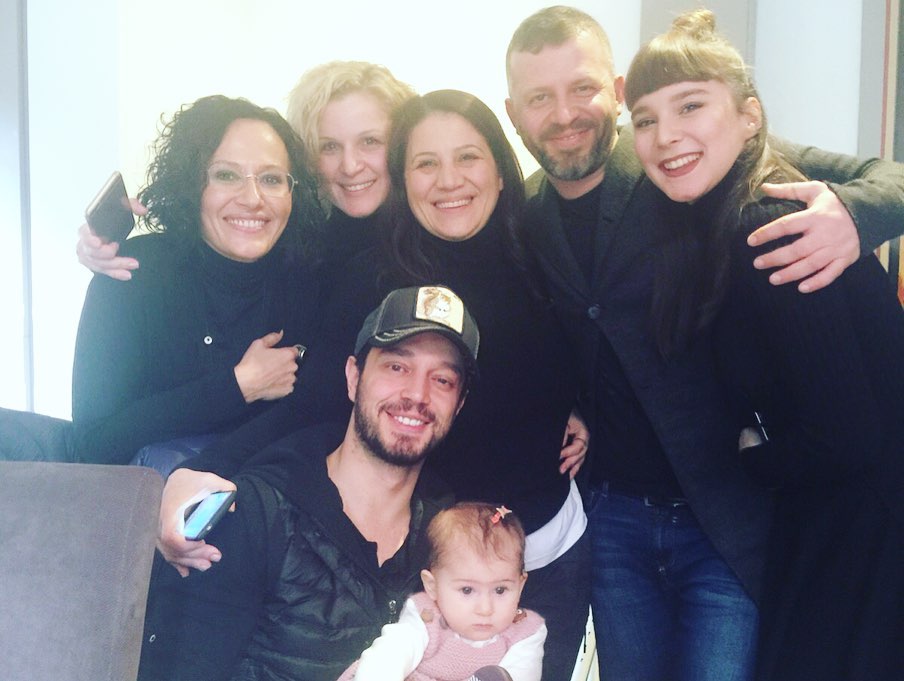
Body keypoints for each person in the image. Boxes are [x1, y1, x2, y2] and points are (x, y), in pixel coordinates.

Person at [503, 6, 904, 681]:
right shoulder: (526, 212)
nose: (565, 114)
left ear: (615, 91)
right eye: (540, 97)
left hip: (727, 513)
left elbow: (886, 176)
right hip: (614, 513)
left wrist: (852, 215)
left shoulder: (681, 160)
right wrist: (568, 405)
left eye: (582, 88)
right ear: (514, 113)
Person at [158, 89, 589, 681]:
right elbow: (312, 402)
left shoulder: (540, 251)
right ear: (402, 181)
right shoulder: (377, 278)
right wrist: (199, 470)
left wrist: (584, 412)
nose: (448, 180)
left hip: (553, 549)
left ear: (499, 169)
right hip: (446, 565)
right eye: (425, 163)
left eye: (468, 157)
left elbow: (602, 343)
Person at [624, 10, 904, 681]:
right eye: (645, 119)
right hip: (840, 519)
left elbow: (847, 439)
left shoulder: (770, 229)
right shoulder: (713, 218)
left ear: (750, 117)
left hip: (867, 535)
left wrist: (753, 455)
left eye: (690, 106)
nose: (666, 135)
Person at [138, 284, 478, 681]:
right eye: (396, 367)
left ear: (459, 405)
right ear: (353, 377)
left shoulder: (451, 541)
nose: (417, 394)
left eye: (442, 380)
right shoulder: (252, 516)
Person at [77, 61, 414, 286]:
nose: (350, 166)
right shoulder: (295, 243)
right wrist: (103, 251)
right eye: (329, 146)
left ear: (403, 142)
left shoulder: (430, 239)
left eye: (370, 141)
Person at [339, 502, 546, 681]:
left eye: (500, 590)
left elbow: (519, 675)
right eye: (467, 590)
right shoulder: (427, 616)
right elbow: (391, 653)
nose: (485, 608)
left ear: (520, 586)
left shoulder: (525, 632)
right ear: (433, 586)